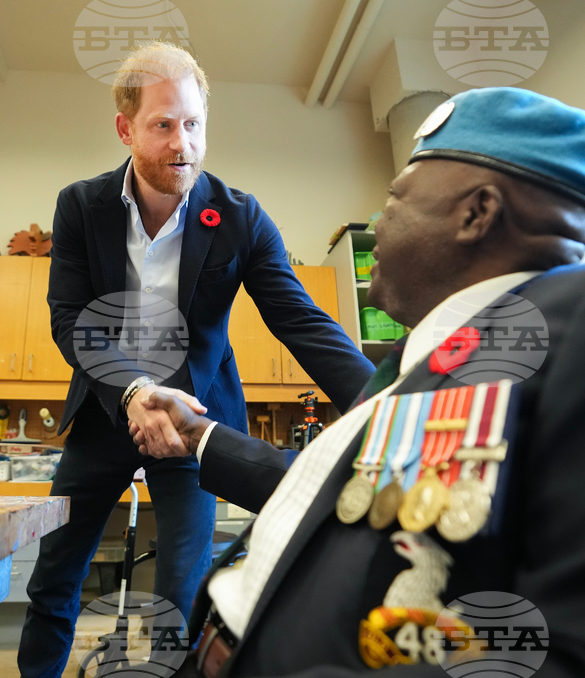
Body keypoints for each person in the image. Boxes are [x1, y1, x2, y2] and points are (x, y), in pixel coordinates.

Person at [134, 87, 585, 677]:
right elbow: (341, 502)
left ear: (477, 213)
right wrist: (200, 435)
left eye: (395, 196)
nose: (377, 219)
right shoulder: (428, 361)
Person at [19, 42, 375, 677]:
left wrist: (389, 405)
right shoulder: (81, 206)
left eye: (193, 124)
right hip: (107, 413)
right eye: (163, 125)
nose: (182, 143)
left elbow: (299, 319)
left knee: (184, 592)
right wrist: (132, 392)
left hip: (195, 420)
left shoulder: (240, 218)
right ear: (125, 128)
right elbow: (70, 320)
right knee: (54, 580)